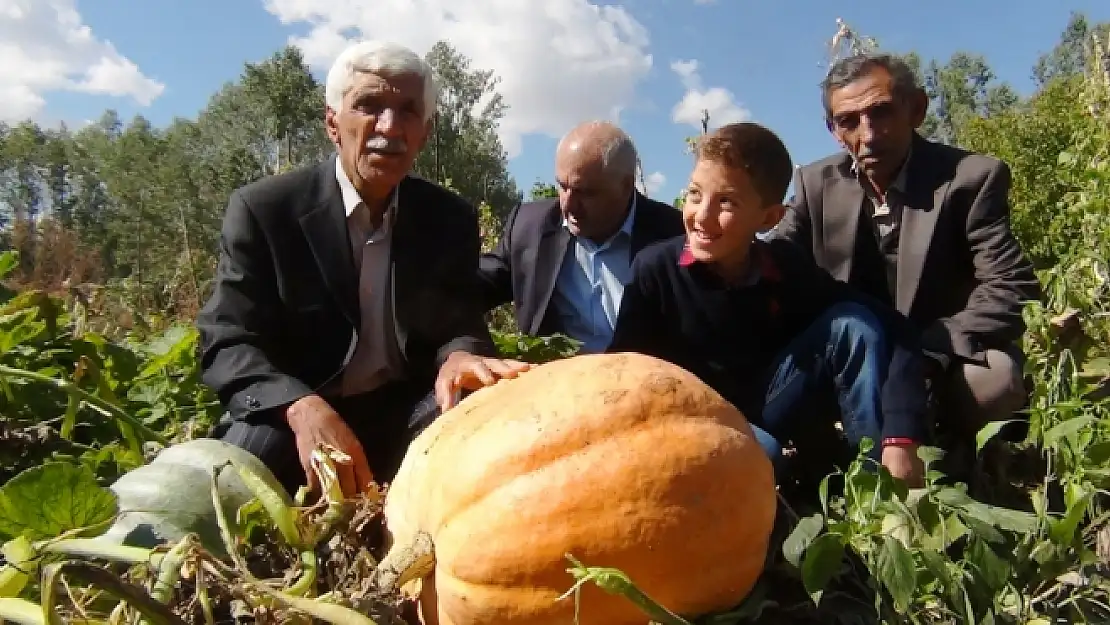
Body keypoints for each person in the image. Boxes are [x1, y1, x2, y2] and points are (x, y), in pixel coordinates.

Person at [196, 40, 529, 499]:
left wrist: (460, 355)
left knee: (485, 424)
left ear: (425, 133)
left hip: (407, 411)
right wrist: (298, 405)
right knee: (237, 478)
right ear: (333, 123)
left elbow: (460, 323)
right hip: (297, 412)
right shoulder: (266, 210)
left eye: (408, 111)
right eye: (369, 105)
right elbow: (227, 339)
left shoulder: (449, 219)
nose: (389, 127)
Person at [608, 122, 931, 486]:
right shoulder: (655, 271)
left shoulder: (784, 266)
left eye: (726, 201)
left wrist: (901, 436)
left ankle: (880, 491)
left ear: (769, 218)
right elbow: (622, 369)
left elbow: (894, 327)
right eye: (695, 194)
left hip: (765, 403)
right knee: (763, 457)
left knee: (853, 324)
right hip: (692, 418)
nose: (700, 215)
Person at [770, 53, 1041, 442]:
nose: (867, 134)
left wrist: (924, 351)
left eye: (880, 112)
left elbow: (1010, 287)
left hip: (942, 352)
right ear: (833, 130)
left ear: (916, 109)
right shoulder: (815, 185)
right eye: (849, 121)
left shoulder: (971, 178)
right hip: (859, 356)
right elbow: (777, 262)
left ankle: (963, 460)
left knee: (994, 380)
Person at [478, 121, 683, 352]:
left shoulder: (675, 235)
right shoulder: (530, 227)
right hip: (557, 381)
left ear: (626, 186)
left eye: (585, 192)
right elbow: (473, 286)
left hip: (646, 382)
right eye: (562, 186)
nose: (568, 204)